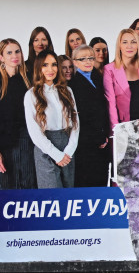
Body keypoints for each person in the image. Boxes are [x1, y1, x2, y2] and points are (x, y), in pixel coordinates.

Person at [24, 52, 79, 188]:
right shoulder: (31, 95)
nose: (50, 69)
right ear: (38, 68)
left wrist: (69, 150)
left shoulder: (67, 91)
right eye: (45, 65)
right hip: (46, 149)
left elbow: (75, 123)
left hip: (67, 148)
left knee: (68, 196)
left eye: (54, 64)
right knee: (51, 196)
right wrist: (56, 154)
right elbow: (34, 131)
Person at [69, 44, 111, 188]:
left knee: (101, 181)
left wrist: (105, 134)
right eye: (83, 59)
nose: (88, 61)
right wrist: (98, 138)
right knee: (88, 182)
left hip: (101, 139)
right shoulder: (73, 84)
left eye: (91, 58)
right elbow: (82, 117)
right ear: (75, 62)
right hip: (87, 143)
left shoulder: (97, 78)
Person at [0, 39, 36, 189]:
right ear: (1, 57)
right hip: (4, 144)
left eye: (17, 51)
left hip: (27, 141)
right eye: (9, 52)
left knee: (28, 187)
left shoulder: (28, 80)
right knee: (7, 189)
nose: (14, 55)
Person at [103, 28, 139, 133]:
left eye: (133, 42)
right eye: (125, 42)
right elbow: (110, 103)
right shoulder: (109, 69)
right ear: (119, 46)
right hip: (123, 126)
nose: (129, 46)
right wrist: (116, 130)